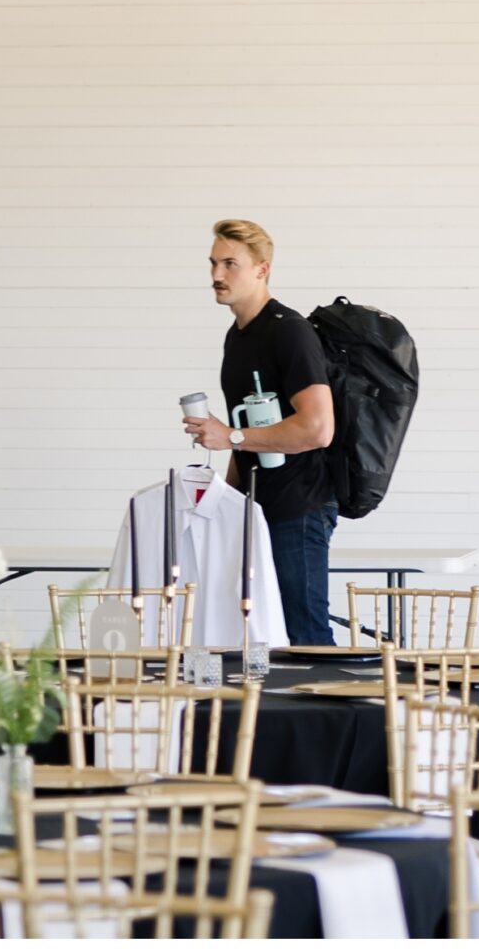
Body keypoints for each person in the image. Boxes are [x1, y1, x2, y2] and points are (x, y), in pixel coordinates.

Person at [183, 219, 338, 647]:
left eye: (230, 264)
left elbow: (318, 428)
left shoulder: (288, 331)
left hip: (298, 507)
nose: (216, 275)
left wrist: (229, 436)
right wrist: (222, 503)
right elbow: (246, 432)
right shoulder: (238, 338)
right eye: (213, 263)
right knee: (259, 637)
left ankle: (327, 715)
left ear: (262, 270)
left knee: (304, 636)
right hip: (256, 511)